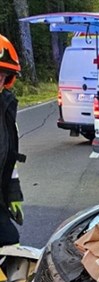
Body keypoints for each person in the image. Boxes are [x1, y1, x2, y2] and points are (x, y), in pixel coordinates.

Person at [0, 34, 23, 246]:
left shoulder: (5, 112)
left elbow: (10, 159)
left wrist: (13, 193)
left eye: (0, 76)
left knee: (11, 246)